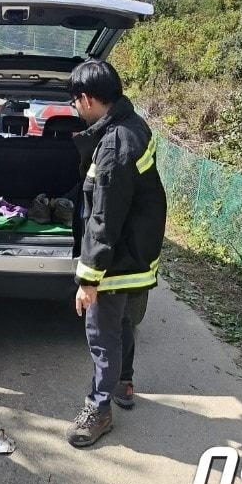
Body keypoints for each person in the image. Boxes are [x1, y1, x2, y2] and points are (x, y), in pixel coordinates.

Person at [65, 60, 166, 447]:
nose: (76, 109)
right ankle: (123, 384)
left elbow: (103, 218)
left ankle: (99, 408)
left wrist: (88, 278)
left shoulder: (113, 145)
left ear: (87, 99)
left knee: (102, 333)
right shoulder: (134, 125)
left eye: (75, 102)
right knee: (123, 323)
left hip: (118, 261)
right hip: (137, 253)